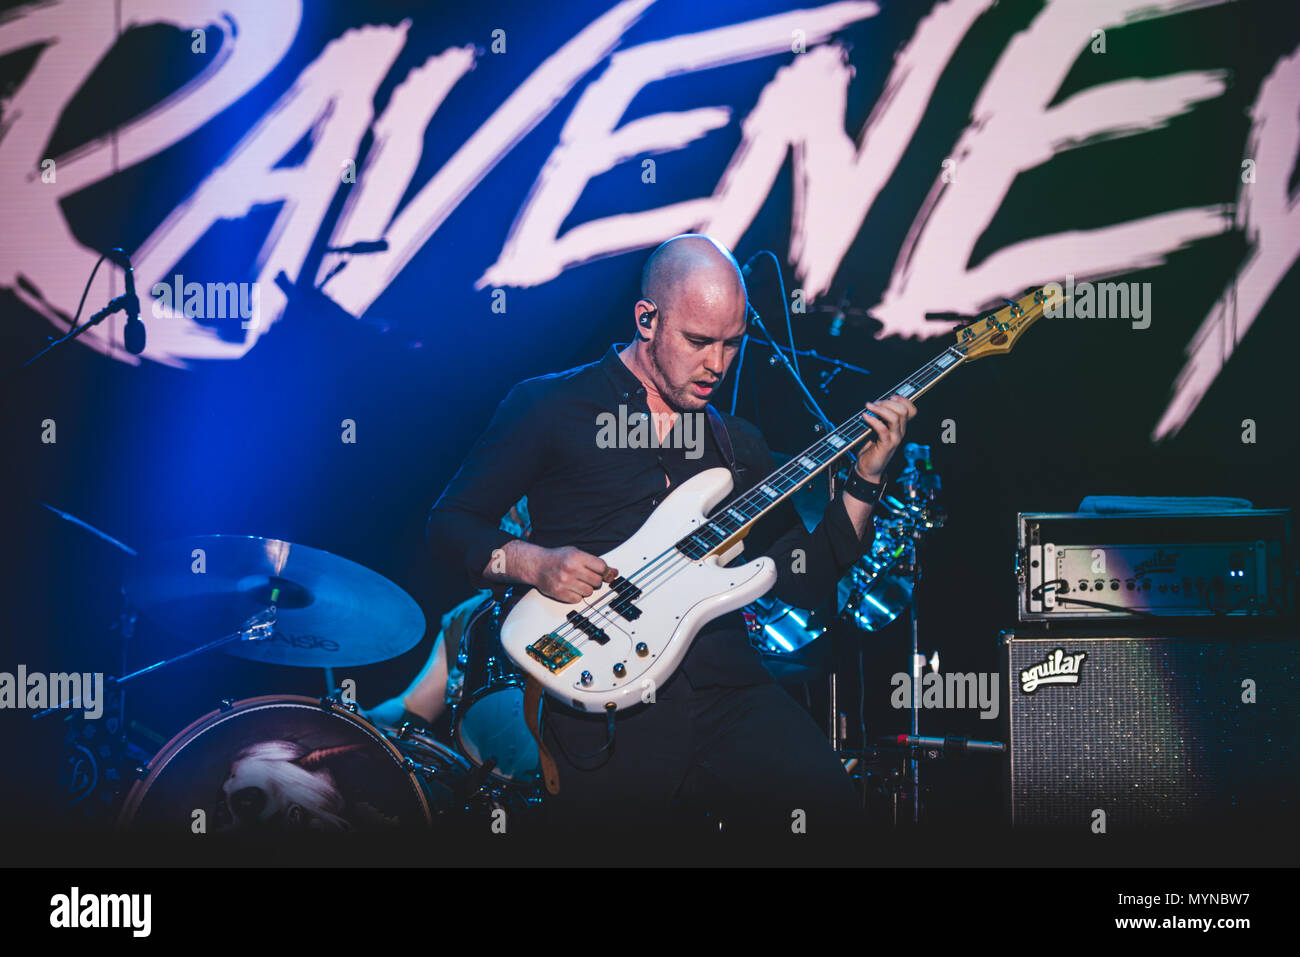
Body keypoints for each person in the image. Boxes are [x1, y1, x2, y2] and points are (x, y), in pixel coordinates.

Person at [426, 234, 916, 839]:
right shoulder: (550, 406)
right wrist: (533, 561)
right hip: (606, 697)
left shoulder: (738, 444)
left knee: (839, 822)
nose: (717, 363)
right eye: (698, 341)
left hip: (728, 689)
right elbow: (450, 525)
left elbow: (809, 579)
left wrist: (865, 480)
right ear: (647, 319)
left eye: (732, 344)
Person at [366, 500, 530, 731]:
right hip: (480, 763)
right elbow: (414, 707)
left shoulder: (571, 607)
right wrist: (362, 719)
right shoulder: (466, 619)